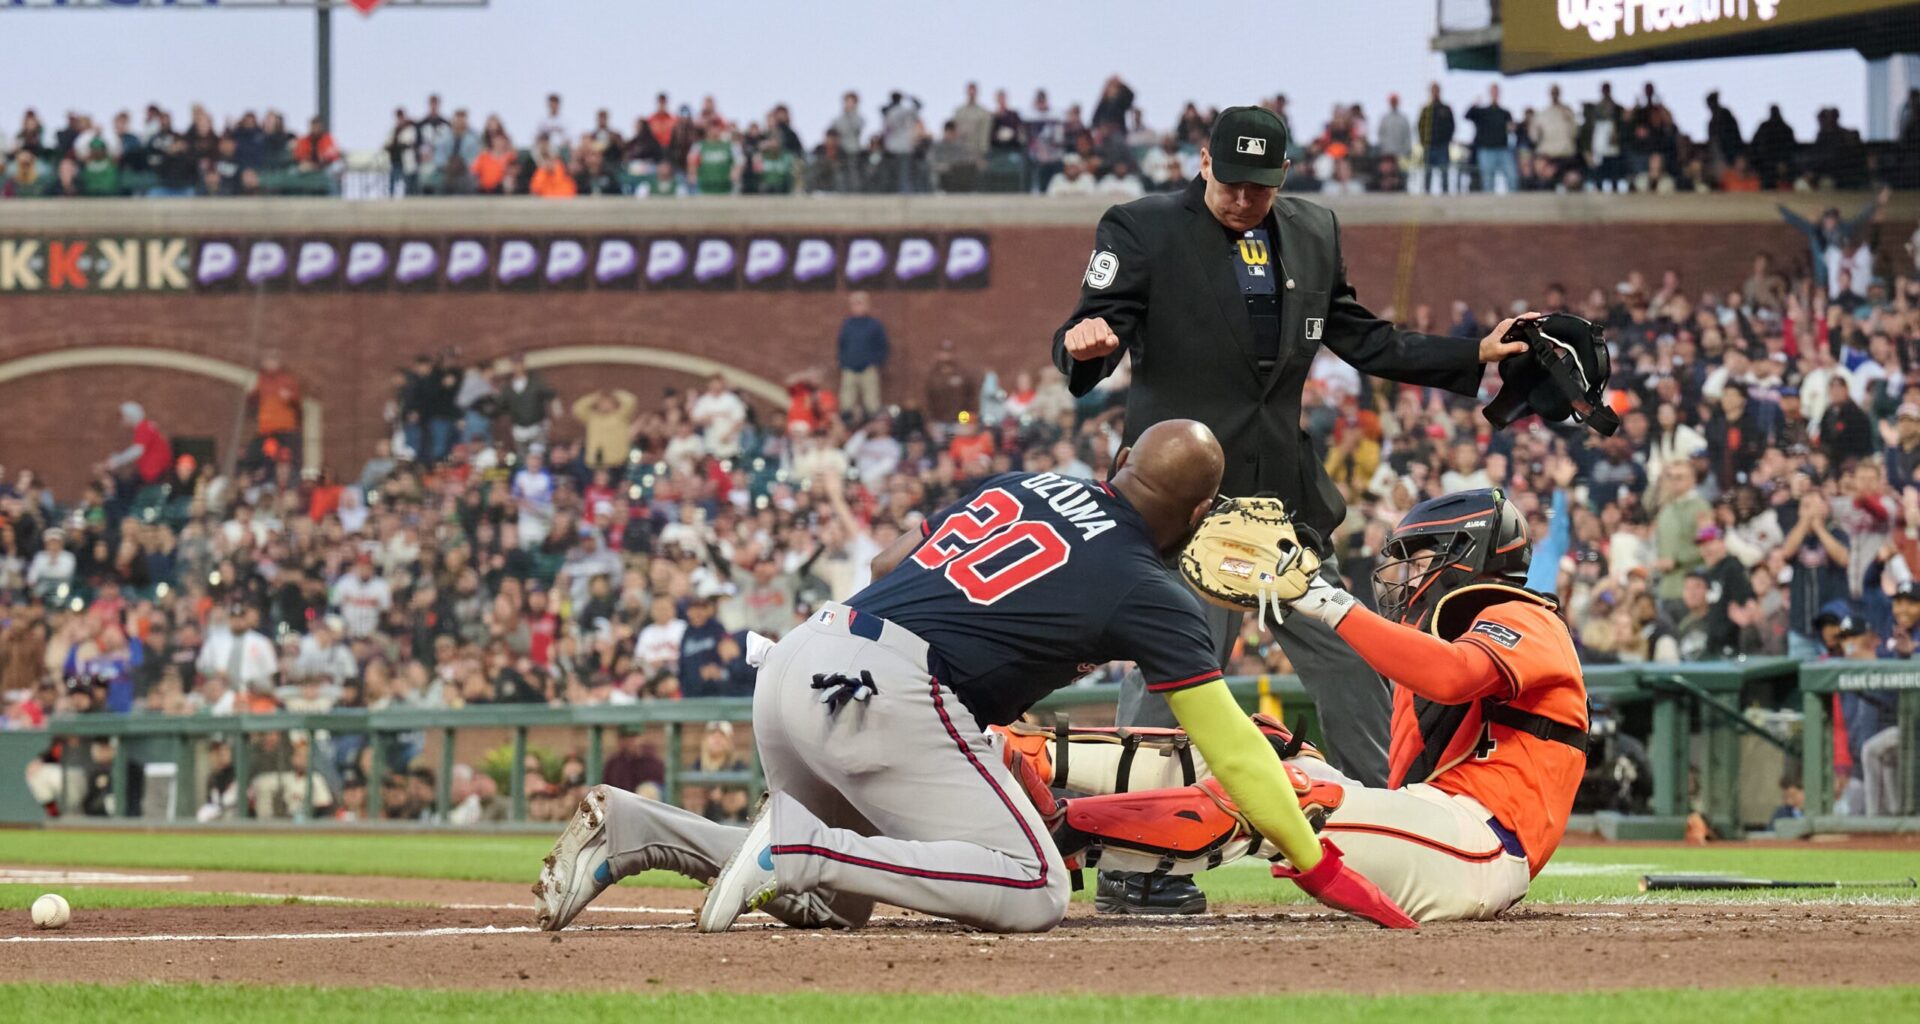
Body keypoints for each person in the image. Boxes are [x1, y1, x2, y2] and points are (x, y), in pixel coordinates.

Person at [533, 420, 1413, 934]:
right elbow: (1235, 752)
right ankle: (792, 843)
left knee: (837, 907)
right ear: (1195, 514)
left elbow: (888, 557)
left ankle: (646, 830)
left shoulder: (1027, 481)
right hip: (884, 688)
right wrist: (1317, 861)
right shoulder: (1152, 589)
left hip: (808, 652)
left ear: (1115, 466)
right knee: (1033, 890)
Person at [1049, 104, 1531, 913]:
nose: (1244, 199)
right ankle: (1137, 863)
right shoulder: (1139, 228)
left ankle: (1393, 838)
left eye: (1260, 186)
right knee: (1178, 669)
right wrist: (1082, 349)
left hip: (1286, 505)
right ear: (1202, 162)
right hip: (1187, 500)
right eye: (1231, 182)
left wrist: (1476, 351)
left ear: (1284, 177)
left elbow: (1364, 339)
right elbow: (1091, 327)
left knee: (1353, 662)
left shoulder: (1312, 229)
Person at [1050, 488, 1589, 922]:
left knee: (1288, 794)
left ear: (1463, 557)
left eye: (1417, 557)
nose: (1402, 574)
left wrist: (1327, 603)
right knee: (1259, 747)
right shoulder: (1439, 636)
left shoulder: (1528, 617)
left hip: (1481, 847)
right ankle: (1028, 756)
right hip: (1433, 829)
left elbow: (1454, 676)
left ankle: (1056, 833)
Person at [835, 292, 889, 419]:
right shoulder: (847, 325)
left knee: (872, 402)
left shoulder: (874, 325)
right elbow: (841, 345)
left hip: (868, 369)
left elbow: (883, 346)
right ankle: (847, 426)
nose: (857, 307)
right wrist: (844, 362)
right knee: (846, 402)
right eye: (854, 304)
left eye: (860, 303)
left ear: (867, 305)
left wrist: (876, 362)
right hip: (849, 368)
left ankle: (873, 427)